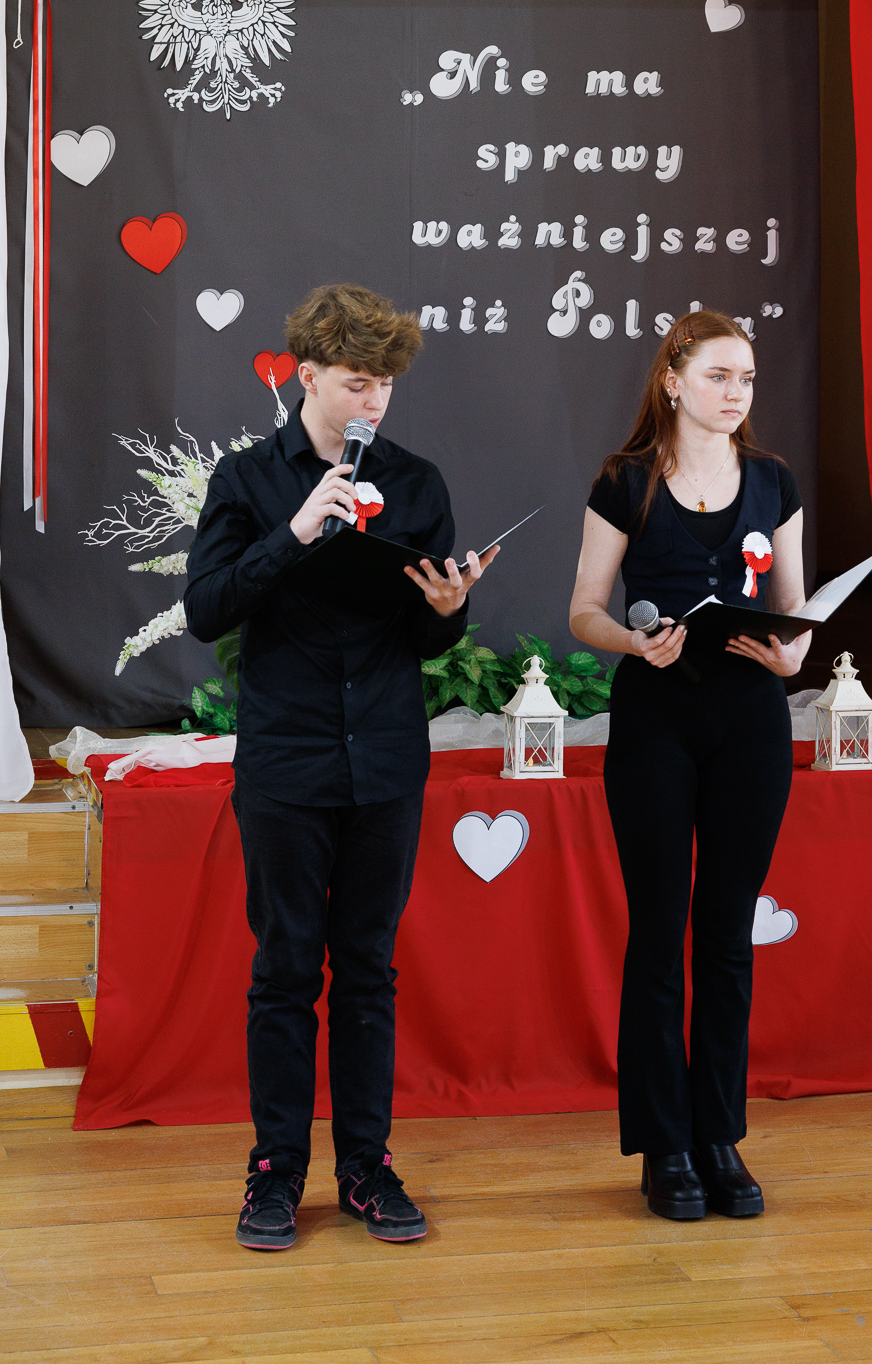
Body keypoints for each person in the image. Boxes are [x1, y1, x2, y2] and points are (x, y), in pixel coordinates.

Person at [185, 283, 498, 1251]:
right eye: (358, 382)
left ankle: (366, 1163)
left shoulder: (416, 481)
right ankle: (275, 1171)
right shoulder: (248, 479)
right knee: (285, 970)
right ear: (307, 375)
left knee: (367, 968)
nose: (374, 401)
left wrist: (448, 608)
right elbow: (205, 609)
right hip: (286, 759)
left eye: (386, 385)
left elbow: (423, 636)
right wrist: (292, 534)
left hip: (387, 759)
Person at [569, 310, 808, 1221]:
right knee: (658, 931)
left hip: (750, 723)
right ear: (672, 381)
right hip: (656, 721)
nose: (735, 393)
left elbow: (795, 613)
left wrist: (791, 654)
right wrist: (634, 642)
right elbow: (584, 609)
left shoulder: (773, 480)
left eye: (745, 378)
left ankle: (719, 1136)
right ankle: (662, 1143)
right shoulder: (623, 480)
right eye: (717, 376)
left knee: (727, 935)